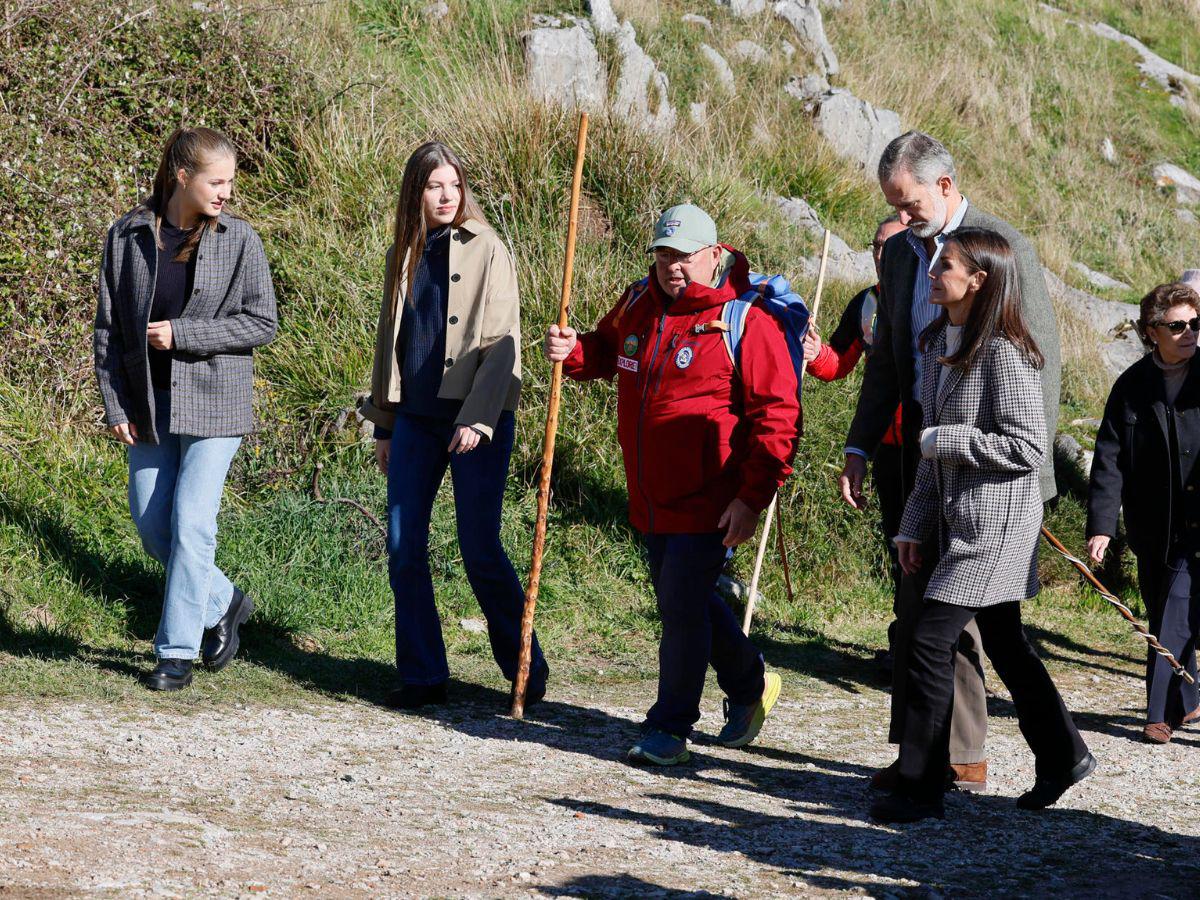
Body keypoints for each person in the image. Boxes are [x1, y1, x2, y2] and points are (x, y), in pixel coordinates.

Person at [841, 131, 1062, 793]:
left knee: (974, 627)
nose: (901, 220)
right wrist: (859, 444)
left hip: (993, 469)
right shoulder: (907, 255)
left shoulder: (1003, 248)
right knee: (923, 611)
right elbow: (888, 360)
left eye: (908, 204)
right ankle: (931, 755)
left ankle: (956, 758)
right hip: (926, 457)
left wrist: (1029, 478)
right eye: (893, 207)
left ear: (944, 185)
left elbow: (1040, 368)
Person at [543, 204, 800, 765]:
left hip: (713, 499)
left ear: (714, 255)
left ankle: (670, 728)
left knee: (680, 606)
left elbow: (778, 419)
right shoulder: (638, 303)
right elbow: (608, 350)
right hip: (650, 496)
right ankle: (752, 684)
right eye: (662, 254)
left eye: (683, 256)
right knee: (686, 597)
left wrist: (751, 499)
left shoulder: (745, 323)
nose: (671, 267)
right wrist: (575, 353)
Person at [870, 228, 1094, 823]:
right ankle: (1064, 754)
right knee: (1006, 644)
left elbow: (1027, 447)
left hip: (996, 531)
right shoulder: (938, 339)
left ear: (980, 280)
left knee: (927, 641)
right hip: (952, 522)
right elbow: (929, 456)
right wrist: (912, 526)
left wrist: (950, 439)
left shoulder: (1005, 350)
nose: (933, 271)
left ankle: (921, 786)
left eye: (946, 263)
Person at [359, 141, 548, 710]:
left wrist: (479, 418)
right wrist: (385, 424)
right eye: (433, 185)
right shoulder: (405, 250)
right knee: (402, 545)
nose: (446, 196)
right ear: (415, 192)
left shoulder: (490, 248)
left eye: (453, 185)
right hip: (415, 419)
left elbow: (505, 341)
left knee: (479, 547)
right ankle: (423, 676)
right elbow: (389, 344)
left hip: (476, 420)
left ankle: (524, 672)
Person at [93, 126, 278, 691]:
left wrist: (185, 333)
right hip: (148, 403)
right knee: (153, 528)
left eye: (229, 182)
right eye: (215, 182)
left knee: (192, 523)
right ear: (182, 177)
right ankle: (224, 602)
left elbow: (263, 321)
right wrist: (115, 400)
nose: (225, 192)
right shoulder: (126, 235)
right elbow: (109, 329)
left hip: (216, 402)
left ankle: (176, 653)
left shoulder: (239, 239)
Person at [1087, 282, 1200, 743]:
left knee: (1176, 606)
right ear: (1152, 332)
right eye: (1177, 325)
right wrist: (1101, 525)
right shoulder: (1131, 386)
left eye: (1196, 323)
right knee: (1164, 607)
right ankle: (1188, 701)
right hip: (1153, 524)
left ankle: (1159, 712)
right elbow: (1109, 458)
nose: (1190, 332)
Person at [803, 215, 907, 674]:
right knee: (899, 546)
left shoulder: (934, 296)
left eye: (891, 245)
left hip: (934, 448)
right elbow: (836, 363)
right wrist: (810, 352)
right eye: (876, 246)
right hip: (887, 446)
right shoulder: (866, 304)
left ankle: (925, 645)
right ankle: (905, 641)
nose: (881, 254)